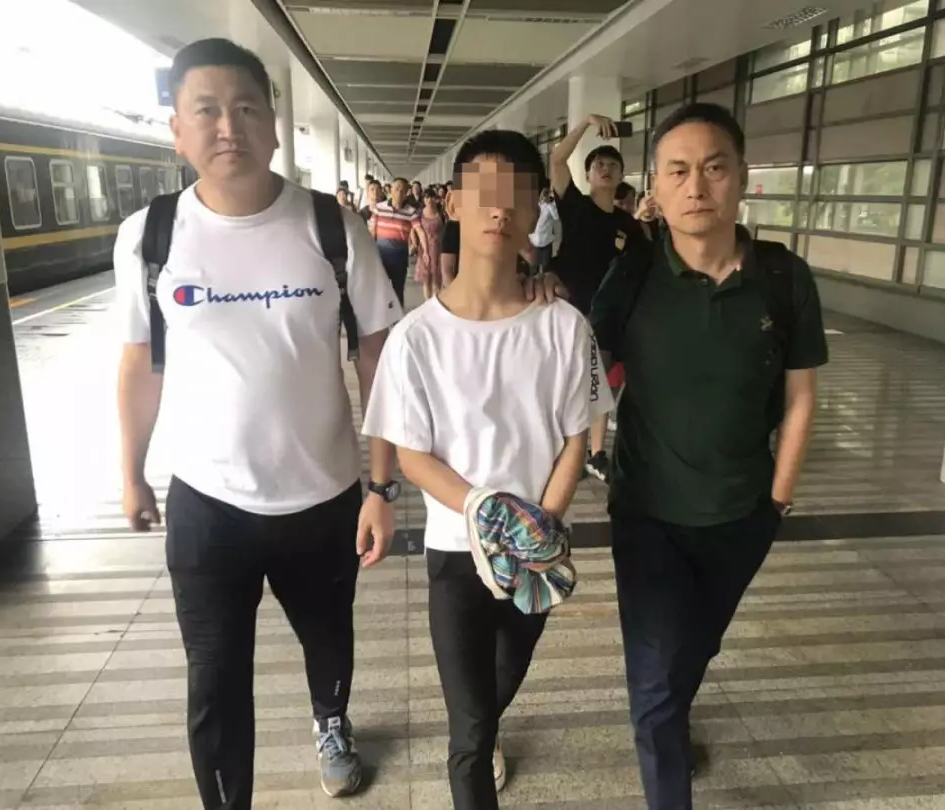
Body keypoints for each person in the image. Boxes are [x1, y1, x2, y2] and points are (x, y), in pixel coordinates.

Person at [114, 38, 403, 808]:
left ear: (273, 124)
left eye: (245, 108)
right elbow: (141, 362)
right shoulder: (150, 236)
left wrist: (383, 485)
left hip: (323, 495)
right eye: (206, 110)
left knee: (328, 635)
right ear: (177, 130)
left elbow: (378, 355)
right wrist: (131, 472)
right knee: (213, 681)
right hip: (207, 505)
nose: (227, 127)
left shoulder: (332, 226)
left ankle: (331, 719)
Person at [362, 128, 611, 810]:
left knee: (504, 679)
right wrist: (486, 511)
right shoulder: (416, 338)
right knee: (469, 732)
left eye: (517, 196)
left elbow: (576, 437)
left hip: (536, 552)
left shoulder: (563, 327)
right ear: (455, 205)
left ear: (535, 212)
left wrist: (538, 526)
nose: (500, 210)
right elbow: (413, 453)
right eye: (485, 194)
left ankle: (490, 724)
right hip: (455, 552)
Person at [591, 102, 829, 810]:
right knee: (655, 677)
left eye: (714, 168)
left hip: (742, 514)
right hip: (648, 512)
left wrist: (777, 501)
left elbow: (801, 398)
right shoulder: (633, 276)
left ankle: (672, 717)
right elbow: (573, 361)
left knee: (695, 647)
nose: (696, 187)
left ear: (743, 179)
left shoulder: (783, 278)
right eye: (678, 172)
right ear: (656, 190)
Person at [549, 114, 645, 484]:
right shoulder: (574, 204)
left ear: (621, 176)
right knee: (567, 384)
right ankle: (564, 450)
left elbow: (640, 268)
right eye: (598, 165)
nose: (605, 169)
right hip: (567, 309)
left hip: (605, 316)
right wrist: (587, 122)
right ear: (589, 174)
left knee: (598, 384)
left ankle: (596, 453)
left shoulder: (628, 225)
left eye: (612, 165)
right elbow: (557, 159)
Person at [370, 177, 427, 307]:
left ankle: (398, 316)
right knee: (381, 288)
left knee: (398, 289)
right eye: (397, 189)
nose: (399, 193)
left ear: (407, 192)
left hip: (399, 256)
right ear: (390, 190)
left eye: (403, 190)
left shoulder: (411, 211)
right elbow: (372, 231)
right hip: (381, 254)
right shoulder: (379, 208)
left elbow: (420, 231)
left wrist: (425, 251)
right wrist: (370, 252)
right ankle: (382, 315)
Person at [415, 189, 446, 299]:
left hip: (438, 248)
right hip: (424, 247)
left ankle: (435, 300)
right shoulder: (419, 214)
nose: (429, 200)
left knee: (437, 279)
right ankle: (427, 302)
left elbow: (445, 230)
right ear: (424, 199)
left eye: (432, 197)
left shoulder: (441, 213)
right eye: (427, 197)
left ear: (435, 199)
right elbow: (415, 230)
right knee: (426, 278)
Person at [528, 187, 559, 275]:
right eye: (544, 195)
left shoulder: (550, 206)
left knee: (545, 267)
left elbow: (556, 217)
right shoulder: (537, 205)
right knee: (533, 266)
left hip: (546, 240)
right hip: (535, 240)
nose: (545, 197)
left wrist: (550, 204)